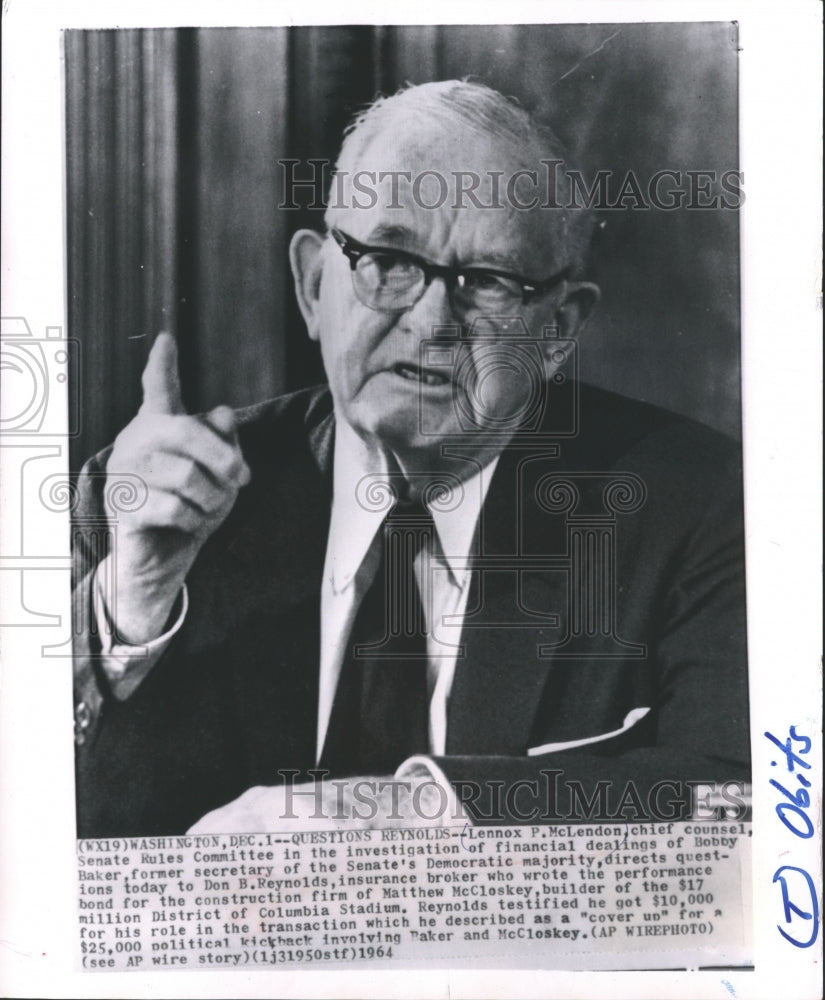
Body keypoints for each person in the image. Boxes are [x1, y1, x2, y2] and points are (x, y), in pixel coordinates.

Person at [72, 80, 749, 837]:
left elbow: (737, 794)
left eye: (487, 282)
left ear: (556, 330)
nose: (431, 321)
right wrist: (132, 608)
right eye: (389, 259)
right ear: (312, 284)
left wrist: (411, 811)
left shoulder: (701, 506)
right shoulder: (153, 504)